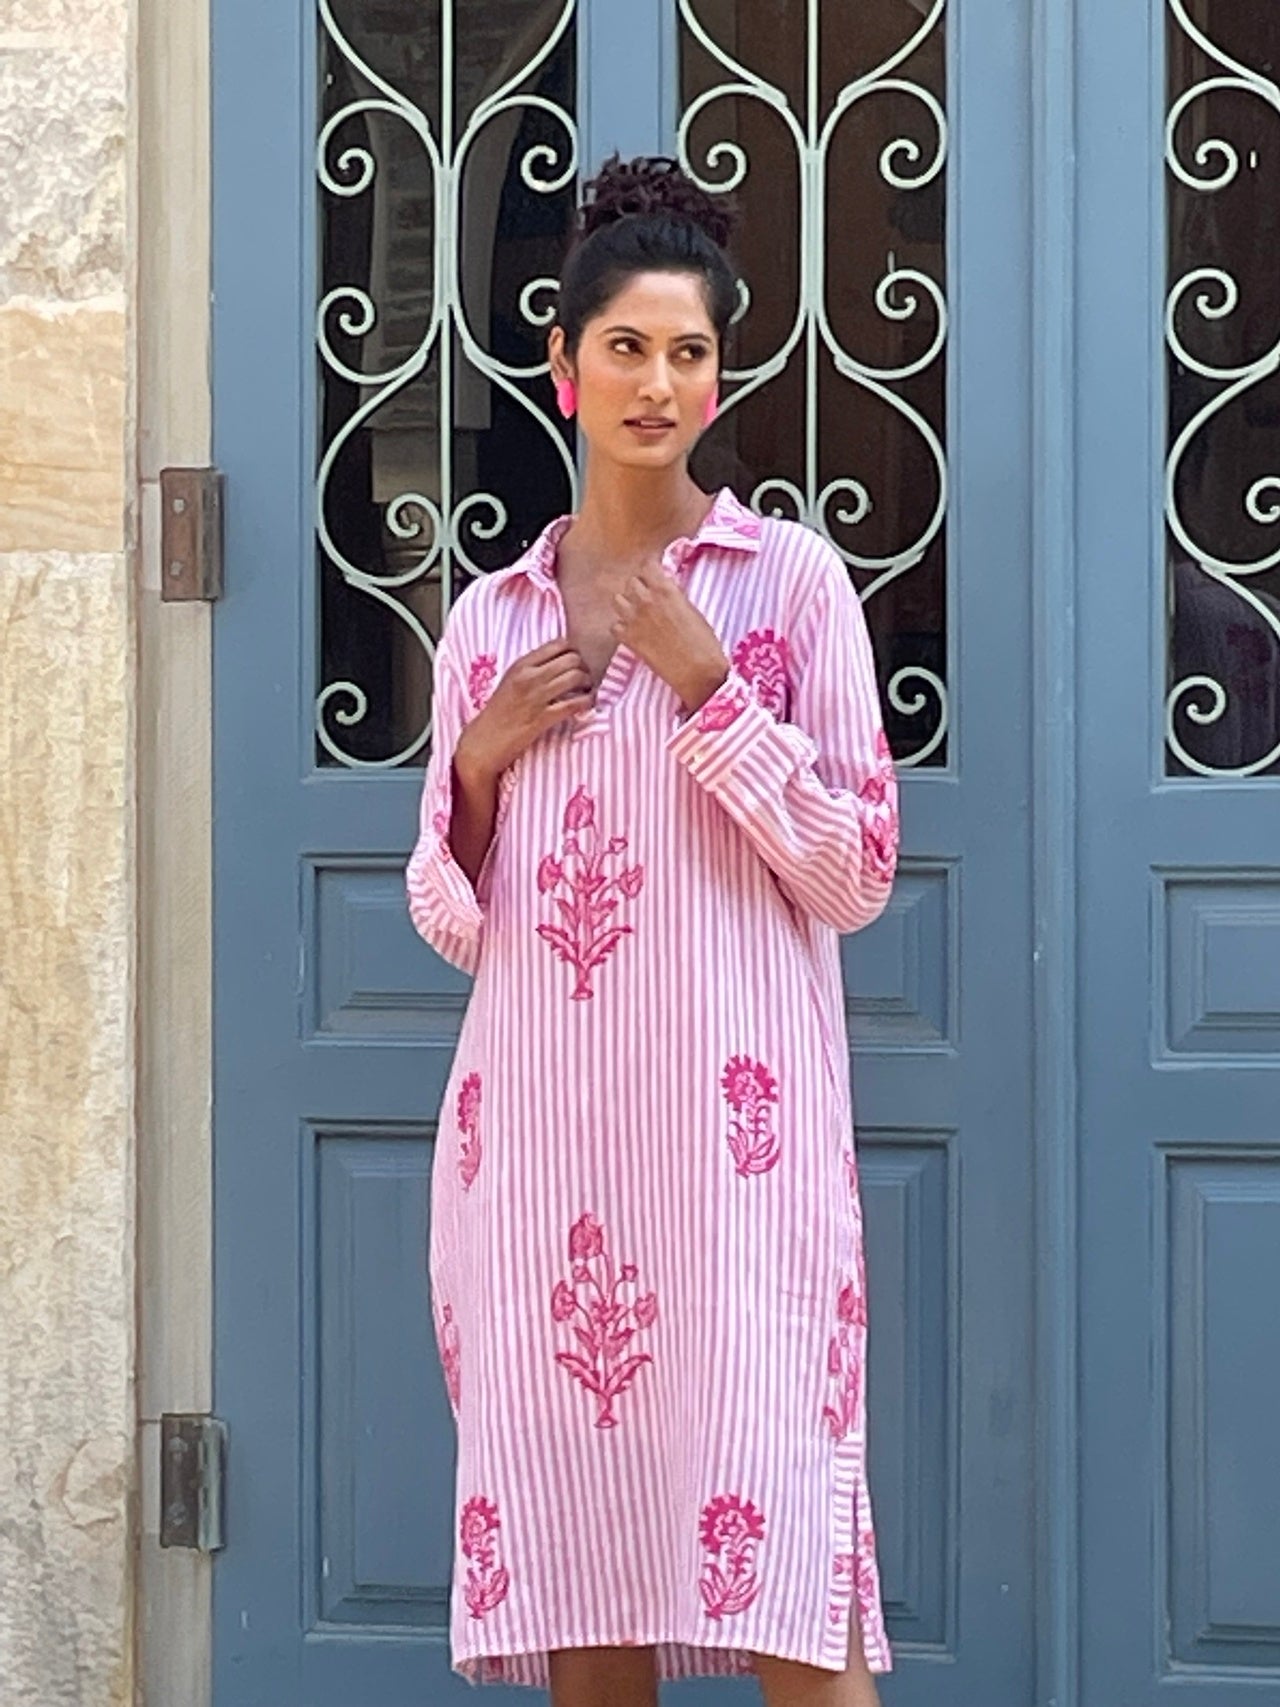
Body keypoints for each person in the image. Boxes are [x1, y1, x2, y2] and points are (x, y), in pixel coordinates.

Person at [406, 153, 900, 1707]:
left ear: (717, 379)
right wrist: (476, 768)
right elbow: (447, 916)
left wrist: (713, 691)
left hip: (739, 1173)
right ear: (562, 371)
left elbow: (859, 870)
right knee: (586, 1590)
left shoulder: (789, 587)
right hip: (543, 1170)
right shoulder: (491, 621)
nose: (657, 380)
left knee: (794, 1597)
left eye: (688, 352)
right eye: (625, 346)